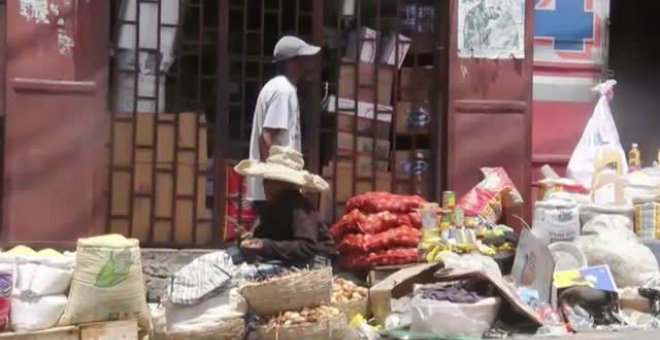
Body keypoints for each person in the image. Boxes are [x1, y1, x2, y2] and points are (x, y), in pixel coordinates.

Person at [247, 35, 321, 224]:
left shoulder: (282, 88)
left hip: (276, 188)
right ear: (292, 63)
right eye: (306, 59)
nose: (310, 63)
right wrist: (272, 183)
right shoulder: (283, 91)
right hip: (276, 189)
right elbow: (266, 139)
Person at [235, 145, 335, 269]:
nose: (266, 186)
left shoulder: (300, 207)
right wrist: (248, 239)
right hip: (285, 260)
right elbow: (265, 238)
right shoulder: (273, 206)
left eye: (274, 182)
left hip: (313, 262)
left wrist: (265, 245)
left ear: (287, 184)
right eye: (265, 180)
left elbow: (307, 246)